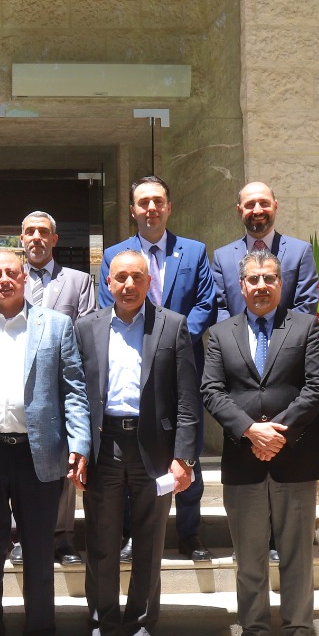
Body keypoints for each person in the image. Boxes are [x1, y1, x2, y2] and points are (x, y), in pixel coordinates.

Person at [0, 250, 90, 636]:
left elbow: (74, 389)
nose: (4, 280)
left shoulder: (56, 325)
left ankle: (42, 633)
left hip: (39, 453)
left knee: (39, 550)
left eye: (11, 272)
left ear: (25, 277)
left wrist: (79, 443)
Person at [201, 249, 319, 636]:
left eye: (269, 278)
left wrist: (279, 432)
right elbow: (211, 391)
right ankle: (253, 633)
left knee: (297, 556)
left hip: (294, 458)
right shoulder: (220, 333)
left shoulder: (306, 327)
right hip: (243, 461)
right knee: (250, 557)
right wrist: (249, 430)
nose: (261, 286)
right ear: (241, 286)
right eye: (253, 279)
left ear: (281, 283)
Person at [74, 250, 199, 636]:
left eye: (137, 277)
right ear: (108, 282)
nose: (129, 285)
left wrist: (184, 457)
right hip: (104, 445)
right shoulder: (86, 327)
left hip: (154, 449)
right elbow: (75, 394)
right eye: (121, 277)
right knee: (101, 541)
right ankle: (101, 628)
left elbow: (187, 398)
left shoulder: (172, 325)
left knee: (149, 541)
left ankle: (141, 628)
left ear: (149, 282)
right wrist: (78, 448)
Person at [98, 176, 217, 561]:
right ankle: (133, 533)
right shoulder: (115, 254)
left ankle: (189, 532)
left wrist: (171, 341)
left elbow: (206, 304)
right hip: (132, 368)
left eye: (158, 201)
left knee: (186, 448)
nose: (151, 208)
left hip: (182, 366)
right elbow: (107, 304)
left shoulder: (194, 252)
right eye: (143, 202)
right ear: (132, 210)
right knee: (136, 456)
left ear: (169, 207)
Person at [20, 210, 96, 566]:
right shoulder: (11, 278)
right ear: (22, 239)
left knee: (63, 460)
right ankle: (21, 537)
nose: (36, 237)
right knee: (22, 462)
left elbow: (87, 331)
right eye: (30, 232)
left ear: (55, 239)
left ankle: (63, 537)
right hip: (20, 385)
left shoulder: (78, 281)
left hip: (62, 384)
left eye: (43, 231)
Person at [210, 181, 319, 321]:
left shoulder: (300, 252)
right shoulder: (222, 258)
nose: (257, 210)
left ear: (275, 206)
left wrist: (279, 334)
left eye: (264, 203)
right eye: (250, 205)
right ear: (239, 210)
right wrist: (235, 334)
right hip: (234, 335)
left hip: (289, 334)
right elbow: (219, 308)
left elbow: (306, 305)